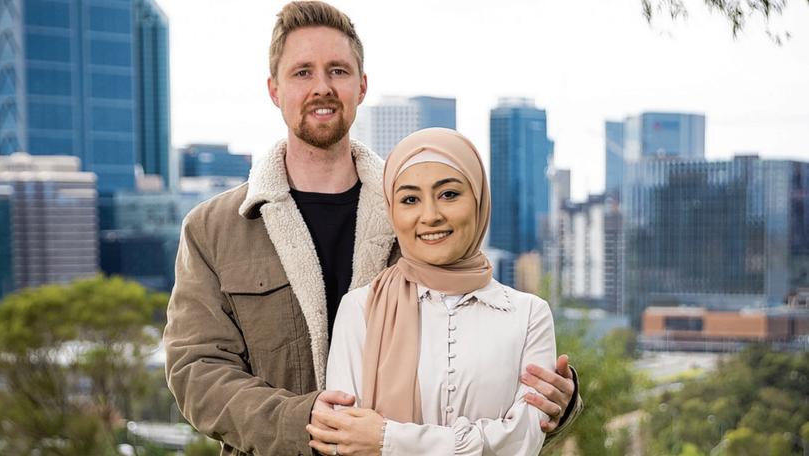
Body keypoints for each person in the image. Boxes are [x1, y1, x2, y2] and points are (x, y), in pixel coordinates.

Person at [163, 2, 581, 455]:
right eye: (302, 72)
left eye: (338, 71)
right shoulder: (214, 229)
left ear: (361, 86)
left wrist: (555, 397)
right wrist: (303, 422)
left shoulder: (416, 213)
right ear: (273, 89)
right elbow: (196, 370)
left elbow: (484, 341)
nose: (322, 87)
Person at [308, 128, 555, 456]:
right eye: (410, 199)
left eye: (449, 194)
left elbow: (523, 442)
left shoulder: (528, 315)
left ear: (479, 198)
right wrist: (485, 439)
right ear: (392, 212)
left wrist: (386, 440)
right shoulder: (359, 308)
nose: (431, 216)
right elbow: (346, 439)